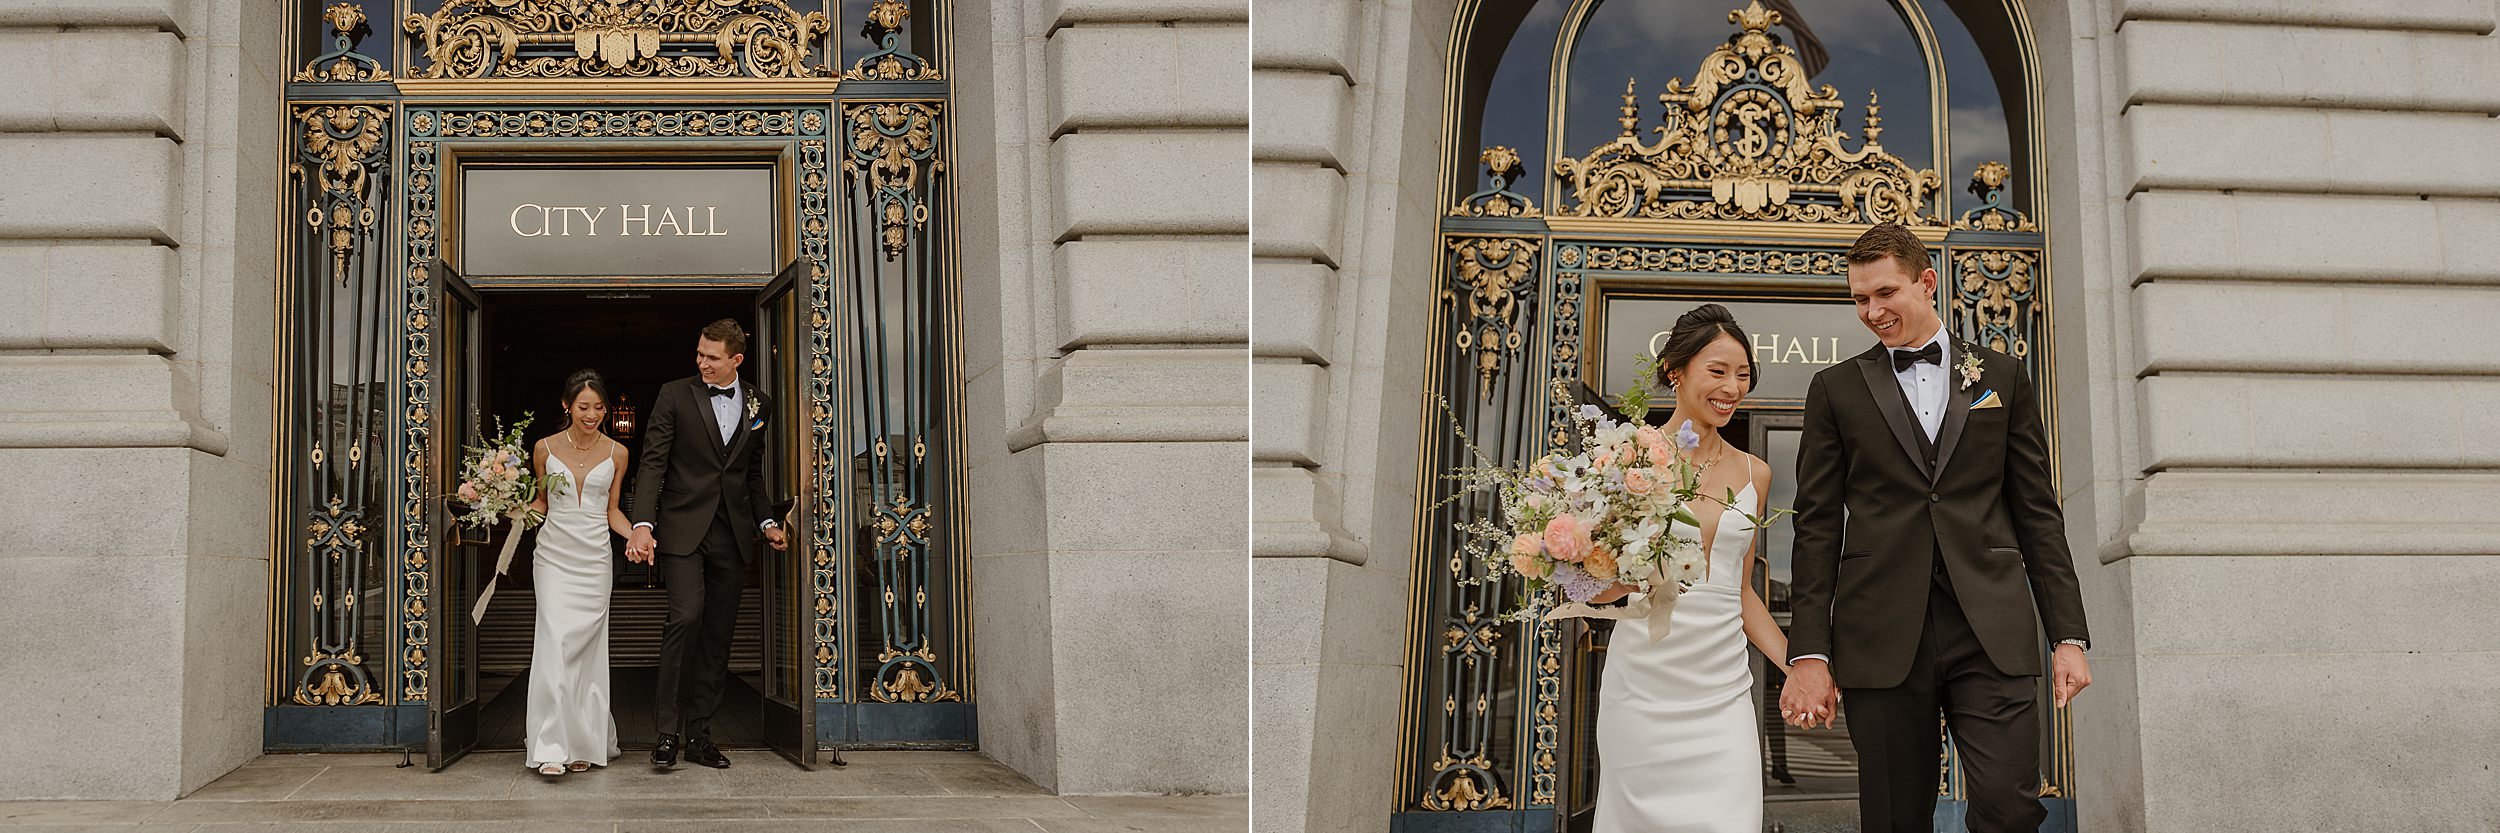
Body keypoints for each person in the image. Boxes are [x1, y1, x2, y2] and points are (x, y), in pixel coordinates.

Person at [1780, 222, 2092, 832]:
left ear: (1926, 284)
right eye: (1860, 299)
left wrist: (2069, 636)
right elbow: (1816, 527)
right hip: (1881, 632)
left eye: (1885, 293)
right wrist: (1809, 652)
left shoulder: (2001, 377)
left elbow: (2037, 515)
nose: (1872, 311)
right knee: (1895, 818)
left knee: (2010, 806)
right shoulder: (1834, 389)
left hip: (1992, 629)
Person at [1586, 303, 1785, 833]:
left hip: (1722, 696)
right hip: (1643, 692)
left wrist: (1802, 666)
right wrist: (1618, 577)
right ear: (1676, 371)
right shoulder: (1624, 459)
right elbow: (1596, 586)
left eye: (1743, 375)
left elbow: (1741, 593)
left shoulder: (1755, 472)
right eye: (1717, 371)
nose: (1732, 388)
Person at [624, 319, 791, 769]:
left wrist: (768, 520)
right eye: (699, 353)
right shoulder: (674, 394)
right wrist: (642, 524)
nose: (702, 363)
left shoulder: (760, 403)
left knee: (717, 638)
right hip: (681, 530)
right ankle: (666, 734)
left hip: (732, 535)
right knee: (686, 618)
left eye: (712, 357)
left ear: (736, 359)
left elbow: (751, 474)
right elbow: (652, 462)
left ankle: (700, 737)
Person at [522, 369, 630, 776]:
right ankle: (550, 745)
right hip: (553, 557)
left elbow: (612, 510)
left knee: (586, 650)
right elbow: (540, 504)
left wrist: (636, 535)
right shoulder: (544, 449)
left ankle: (583, 740)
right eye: (584, 406)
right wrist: (504, 509)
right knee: (554, 642)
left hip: (595, 560)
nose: (593, 414)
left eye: (599, 407)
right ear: (567, 406)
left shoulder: (617, 452)